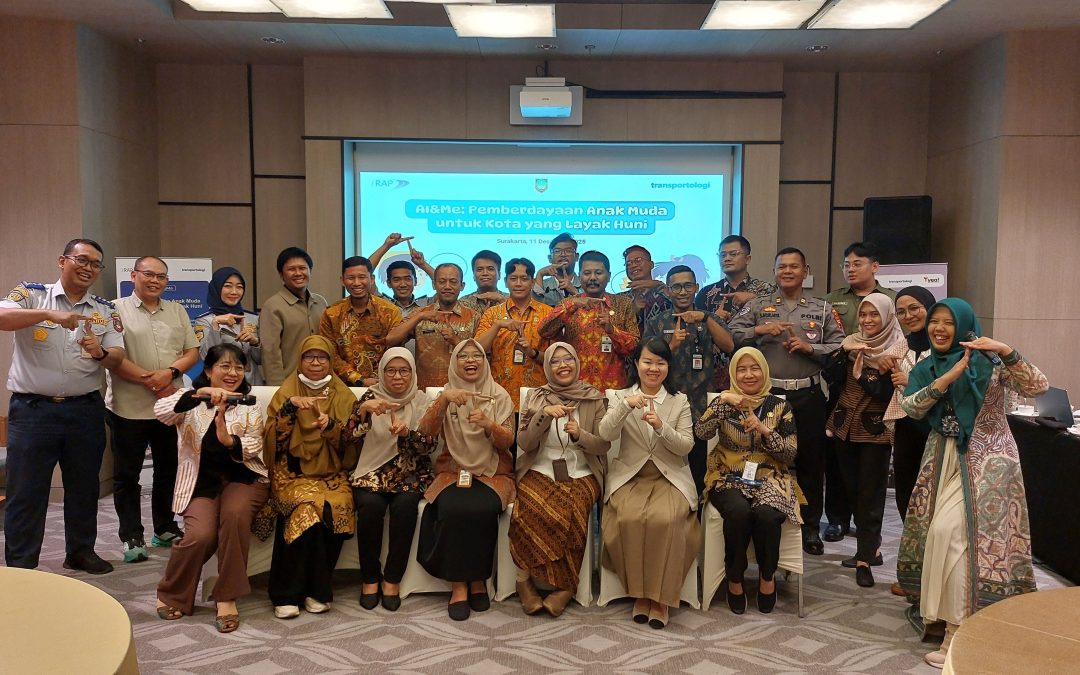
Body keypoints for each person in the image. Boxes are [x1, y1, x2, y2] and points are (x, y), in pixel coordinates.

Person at [897, 298, 1047, 668]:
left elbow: (1038, 386)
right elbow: (911, 407)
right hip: (942, 458)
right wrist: (946, 379)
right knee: (941, 538)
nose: (939, 329)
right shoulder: (927, 365)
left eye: (948, 322)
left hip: (988, 461)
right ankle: (946, 616)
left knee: (951, 535)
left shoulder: (990, 363)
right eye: (935, 322)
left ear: (964, 326)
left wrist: (1005, 350)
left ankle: (956, 632)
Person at [1, 239, 125, 574]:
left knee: (84, 487)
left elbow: (117, 357)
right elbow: (2, 317)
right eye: (82, 260)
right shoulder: (31, 294)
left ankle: (80, 551)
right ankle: (21, 563)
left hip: (84, 411)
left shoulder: (105, 310)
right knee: (26, 491)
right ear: (62, 261)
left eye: (95, 264)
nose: (88, 268)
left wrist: (100, 352)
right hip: (33, 411)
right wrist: (48, 314)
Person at [727, 247, 843, 556]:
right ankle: (766, 520)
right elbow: (731, 333)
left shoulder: (821, 308)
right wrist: (759, 329)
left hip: (808, 395)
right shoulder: (759, 305)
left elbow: (840, 345)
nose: (788, 271)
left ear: (806, 271)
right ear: (774, 272)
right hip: (768, 397)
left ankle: (810, 527)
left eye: (794, 266)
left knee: (810, 462)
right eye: (782, 267)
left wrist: (810, 348)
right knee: (763, 458)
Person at [152, 344, 269, 633]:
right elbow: (161, 411)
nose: (233, 373)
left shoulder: (250, 403)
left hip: (245, 477)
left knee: (235, 516)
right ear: (208, 370)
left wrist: (229, 441)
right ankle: (172, 592)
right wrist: (199, 394)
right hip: (200, 481)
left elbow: (256, 445)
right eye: (224, 366)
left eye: (239, 367)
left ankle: (226, 596)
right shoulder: (191, 400)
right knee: (200, 534)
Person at [598, 338, 698, 629]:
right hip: (631, 477)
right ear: (637, 364)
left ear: (668, 366)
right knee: (629, 518)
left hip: (670, 477)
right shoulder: (619, 396)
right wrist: (625, 406)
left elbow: (686, 446)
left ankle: (661, 599)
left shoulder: (679, 401)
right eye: (648, 362)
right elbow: (605, 434)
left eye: (660, 363)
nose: (654, 368)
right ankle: (640, 593)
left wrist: (661, 427)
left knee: (666, 519)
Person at [107, 256, 199, 562]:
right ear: (133, 275)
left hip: (170, 407)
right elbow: (113, 357)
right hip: (128, 407)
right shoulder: (115, 309)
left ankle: (164, 527)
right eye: (148, 274)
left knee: (168, 470)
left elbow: (192, 351)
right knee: (127, 475)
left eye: (161, 277)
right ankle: (131, 535)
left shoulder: (176, 310)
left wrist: (170, 374)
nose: (155, 281)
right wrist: (153, 382)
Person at [694, 347, 799, 614]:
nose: (748, 375)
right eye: (741, 369)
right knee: (738, 512)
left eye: (755, 368)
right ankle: (735, 579)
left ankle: (767, 577)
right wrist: (722, 401)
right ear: (733, 373)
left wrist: (765, 431)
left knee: (767, 515)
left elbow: (789, 453)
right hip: (727, 474)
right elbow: (701, 432)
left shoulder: (780, 407)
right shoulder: (725, 402)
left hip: (771, 476)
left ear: (764, 371)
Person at [416, 339, 515, 621]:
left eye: (477, 356)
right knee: (452, 508)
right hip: (453, 470)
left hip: (493, 472)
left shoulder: (499, 395)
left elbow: (508, 442)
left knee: (482, 508)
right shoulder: (447, 393)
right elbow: (424, 433)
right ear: (454, 363)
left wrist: (488, 425)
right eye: (463, 356)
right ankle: (459, 584)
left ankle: (478, 579)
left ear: (485, 362)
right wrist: (444, 400)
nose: (470, 361)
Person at [511, 342, 610, 617]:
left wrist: (580, 434)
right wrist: (543, 416)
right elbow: (525, 444)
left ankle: (566, 587)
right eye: (555, 361)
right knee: (528, 506)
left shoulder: (593, 398)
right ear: (547, 366)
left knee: (574, 508)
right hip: (539, 467)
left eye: (568, 359)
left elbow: (603, 445)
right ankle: (523, 581)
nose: (562, 365)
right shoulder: (536, 397)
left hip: (582, 470)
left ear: (577, 363)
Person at [264, 335, 358, 619]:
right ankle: (286, 593)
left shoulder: (344, 396)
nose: (316, 362)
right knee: (304, 510)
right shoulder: (286, 392)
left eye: (322, 357)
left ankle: (317, 591)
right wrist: (290, 408)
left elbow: (352, 443)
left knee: (336, 507)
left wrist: (331, 426)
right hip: (294, 473)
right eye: (309, 357)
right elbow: (273, 441)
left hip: (333, 473)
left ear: (331, 361)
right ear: (300, 360)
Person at [828, 293, 907, 588]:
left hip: (875, 431)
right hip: (844, 427)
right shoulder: (852, 342)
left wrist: (863, 374)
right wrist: (843, 352)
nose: (867, 320)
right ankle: (870, 549)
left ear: (887, 317)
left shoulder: (897, 349)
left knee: (870, 496)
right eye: (863, 314)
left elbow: (886, 394)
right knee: (852, 492)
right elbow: (832, 377)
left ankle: (864, 560)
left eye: (874, 315)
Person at [347, 348, 435, 612]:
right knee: (370, 508)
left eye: (404, 370)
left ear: (412, 373)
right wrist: (363, 411)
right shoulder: (370, 397)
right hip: (371, 470)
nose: (397, 376)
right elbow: (347, 437)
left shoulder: (422, 401)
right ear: (382, 373)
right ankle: (370, 578)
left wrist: (408, 434)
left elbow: (429, 446)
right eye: (391, 371)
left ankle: (392, 580)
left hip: (410, 471)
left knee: (405, 508)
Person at [822, 241, 896, 542]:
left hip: (881, 391)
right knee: (838, 463)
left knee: (871, 472)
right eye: (846, 265)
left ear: (874, 266)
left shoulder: (891, 298)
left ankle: (868, 533)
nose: (850, 269)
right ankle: (837, 520)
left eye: (857, 263)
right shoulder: (832, 300)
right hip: (843, 389)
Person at [643, 264, 734, 494]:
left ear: (696, 287)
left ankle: (698, 510)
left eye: (687, 286)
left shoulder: (709, 318)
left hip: (702, 405)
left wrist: (706, 317)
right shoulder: (657, 322)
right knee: (668, 466)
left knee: (699, 468)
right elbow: (647, 363)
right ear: (668, 290)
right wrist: (671, 345)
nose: (682, 292)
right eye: (676, 287)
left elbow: (729, 345)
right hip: (667, 404)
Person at [887, 285, 936, 597]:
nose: (908, 316)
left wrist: (912, 381)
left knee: (934, 503)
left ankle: (933, 578)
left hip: (936, 429)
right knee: (906, 498)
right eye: (901, 311)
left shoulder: (946, 346)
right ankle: (912, 574)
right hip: (907, 427)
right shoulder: (901, 346)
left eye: (915, 308)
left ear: (930, 307)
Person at [538, 251, 639, 391]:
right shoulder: (568, 303)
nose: (592, 278)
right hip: (575, 389)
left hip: (612, 389)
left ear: (609, 276)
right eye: (587, 273)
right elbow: (544, 331)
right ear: (580, 276)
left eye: (598, 273)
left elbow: (634, 348)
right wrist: (572, 305)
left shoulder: (623, 304)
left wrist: (612, 331)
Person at [695, 235, 776, 391]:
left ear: (748, 258)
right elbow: (696, 333)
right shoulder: (706, 293)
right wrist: (714, 319)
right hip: (716, 373)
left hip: (754, 369)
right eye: (722, 255)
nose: (727, 259)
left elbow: (776, 320)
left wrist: (754, 299)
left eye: (733, 254)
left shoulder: (767, 291)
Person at [385, 263, 481, 390]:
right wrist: (420, 317)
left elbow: (482, 357)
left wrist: (457, 341)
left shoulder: (474, 317)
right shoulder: (420, 313)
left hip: (462, 390)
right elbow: (390, 339)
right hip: (424, 391)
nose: (447, 286)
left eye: (453, 282)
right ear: (434, 285)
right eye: (442, 282)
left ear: (462, 286)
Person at [474, 257, 552, 409]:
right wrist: (497, 326)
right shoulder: (492, 314)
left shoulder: (547, 314)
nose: (518, 283)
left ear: (533, 282)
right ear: (505, 282)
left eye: (524, 279)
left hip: (537, 396)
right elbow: (477, 350)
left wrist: (532, 353)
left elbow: (555, 359)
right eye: (513, 278)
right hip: (500, 395)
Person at [319, 256, 402, 386]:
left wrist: (378, 379)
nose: (357, 283)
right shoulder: (331, 314)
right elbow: (330, 353)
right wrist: (359, 379)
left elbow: (395, 350)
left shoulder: (390, 312)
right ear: (342, 280)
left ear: (372, 279)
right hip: (343, 387)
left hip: (384, 384)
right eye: (351, 278)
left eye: (362, 277)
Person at [259, 247, 328, 386]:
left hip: (321, 382)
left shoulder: (321, 302)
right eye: (291, 269)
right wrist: (278, 389)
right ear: (281, 274)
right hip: (290, 384)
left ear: (310, 271)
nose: (298, 273)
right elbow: (270, 353)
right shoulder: (273, 306)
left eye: (302, 268)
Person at [193, 266, 262, 384]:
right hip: (222, 385)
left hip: (252, 385)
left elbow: (262, 360)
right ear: (217, 288)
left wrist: (255, 342)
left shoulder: (253, 318)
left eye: (239, 287)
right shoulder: (205, 321)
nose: (234, 292)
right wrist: (215, 325)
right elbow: (206, 357)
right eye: (228, 286)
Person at [620, 245, 671, 332]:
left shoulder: (666, 293)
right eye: (628, 263)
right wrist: (632, 311)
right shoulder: (620, 299)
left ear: (651, 264)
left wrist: (658, 285)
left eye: (638, 260)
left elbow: (683, 306)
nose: (633, 265)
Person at [533, 233, 582, 306]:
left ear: (577, 257)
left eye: (568, 251)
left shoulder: (586, 285)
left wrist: (574, 292)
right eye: (557, 251)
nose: (563, 254)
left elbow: (593, 309)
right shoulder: (541, 285)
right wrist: (540, 274)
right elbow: (535, 309)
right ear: (550, 258)